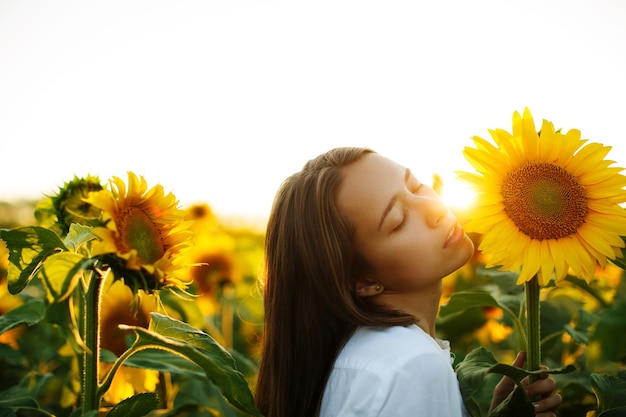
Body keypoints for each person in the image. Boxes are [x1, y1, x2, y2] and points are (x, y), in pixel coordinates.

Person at [254, 147, 563, 417]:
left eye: (416, 187)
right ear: (364, 280)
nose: (435, 209)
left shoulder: (363, 356)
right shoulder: (410, 365)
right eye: (399, 220)